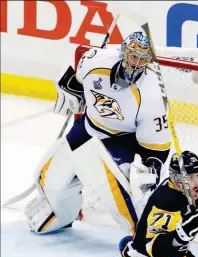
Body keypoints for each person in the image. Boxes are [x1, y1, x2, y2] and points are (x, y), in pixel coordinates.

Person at [25, 32, 171, 235]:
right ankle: (64, 214)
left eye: (143, 59)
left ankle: (144, 235)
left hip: (120, 140)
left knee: (114, 197)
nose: (137, 64)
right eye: (134, 56)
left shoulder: (152, 95)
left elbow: (157, 148)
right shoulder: (94, 60)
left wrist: (149, 171)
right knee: (49, 179)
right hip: (88, 127)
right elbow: (77, 84)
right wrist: (71, 92)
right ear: (124, 53)